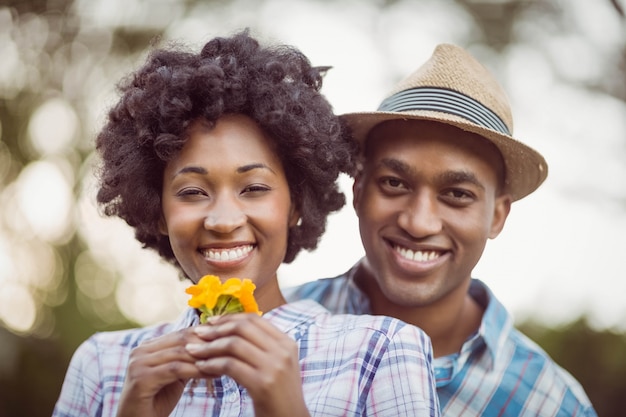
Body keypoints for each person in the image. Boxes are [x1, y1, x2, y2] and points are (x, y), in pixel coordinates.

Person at [52, 30, 440, 417]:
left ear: (295, 204)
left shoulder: (383, 352)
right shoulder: (102, 367)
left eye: (253, 188)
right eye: (191, 192)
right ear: (159, 213)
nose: (223, 221)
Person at [284, 43, 597, 416]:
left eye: (457, 194)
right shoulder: (274, 328)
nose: (419, 223)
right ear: (359, 189)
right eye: (395, 184)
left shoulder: (549, 403)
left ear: (497, 217)